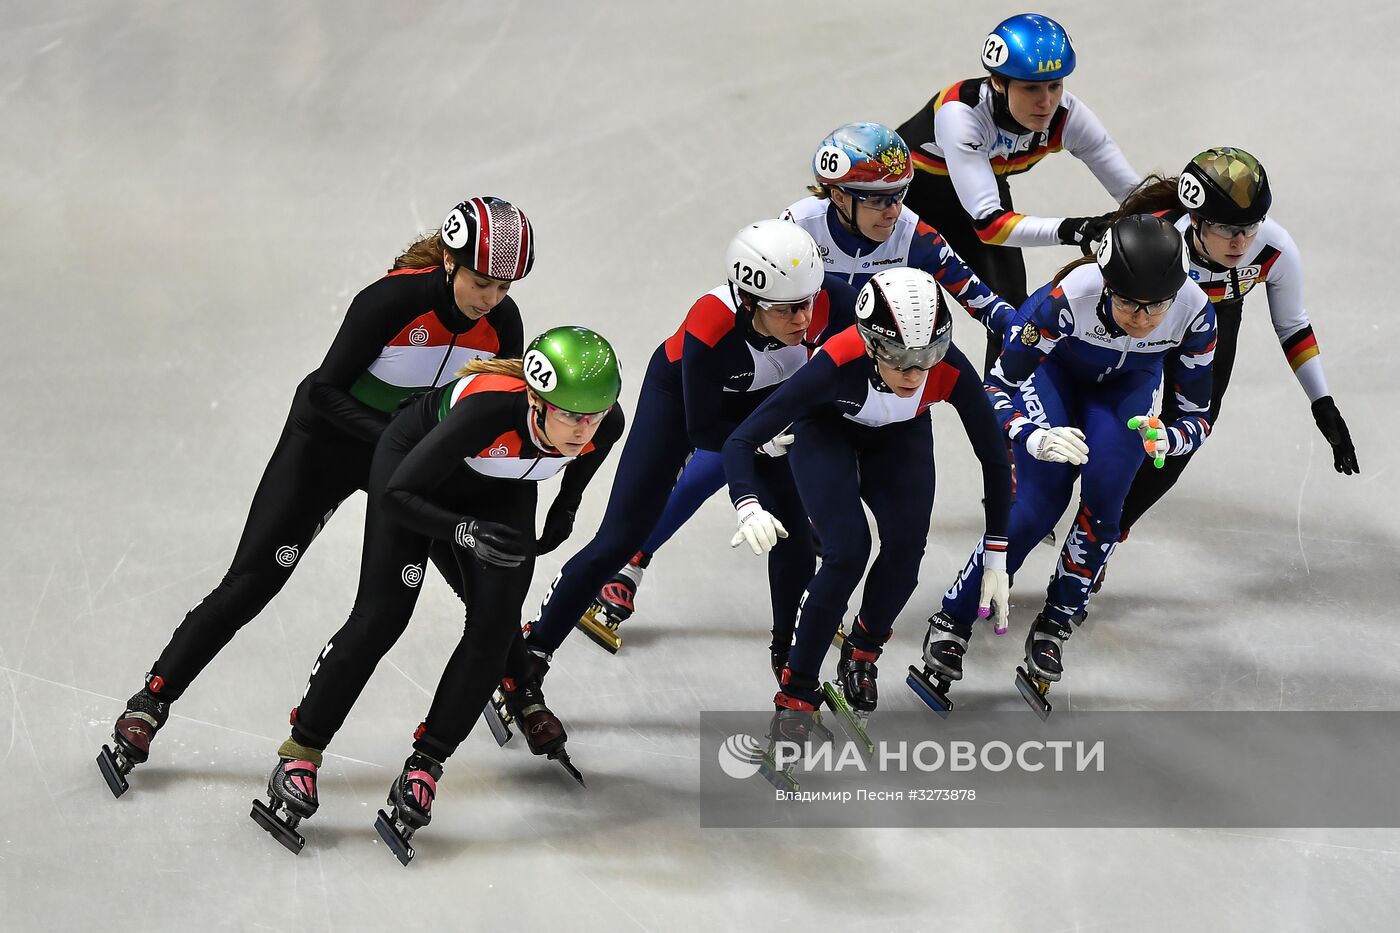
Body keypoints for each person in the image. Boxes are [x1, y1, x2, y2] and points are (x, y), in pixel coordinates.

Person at [97, 197, 531, 798]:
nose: (492, 298)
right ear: (452, 262)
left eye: (504, 287)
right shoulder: (391, 302)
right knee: (254, 582)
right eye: (482, 281)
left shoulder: (504, 328)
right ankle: (150, 700)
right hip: (328, 447)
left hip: (405, 464)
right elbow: (323, 390)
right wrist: (401, 446)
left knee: (477, 575)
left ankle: (517, 681)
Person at [580, 123, 1019, 647]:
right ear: (836, 195)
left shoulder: (913, 234)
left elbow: (982, 300)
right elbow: (758, 299)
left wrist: (1034, 331)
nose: (893, 211)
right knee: (731, 450)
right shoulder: (799, 226)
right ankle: (633, 559)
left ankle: (817, 571)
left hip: (872, 366)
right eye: (876, 199)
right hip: (802, 358)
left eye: (899, 196)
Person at [250, 327, 624, 859]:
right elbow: (398, 494)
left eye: (595, 417)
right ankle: (300, 752)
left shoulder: (603, 423)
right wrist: (463, 532)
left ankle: (426, 765)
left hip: (501, 488)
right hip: (414, 480)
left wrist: (565, 508)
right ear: (536, 401)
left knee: (494, 628)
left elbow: (585, 459)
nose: (584, 431)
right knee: (383, 616)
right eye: (571, 417)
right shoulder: (487, 412)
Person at [908, 215, 1217, 720]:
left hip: (1125, 390)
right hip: (1053, 374)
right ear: (1105, 284)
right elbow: (996, 389)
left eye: (1155, 307)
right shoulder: (1065, 299)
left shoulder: (1196, 312)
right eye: (1127, 303)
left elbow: (1197, 417)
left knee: (1107, 499)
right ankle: (953, 618)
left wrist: (1171, 437)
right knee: (1038, 503)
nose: (1141, 319)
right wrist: (1032, 435)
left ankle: (1057, 620)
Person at [527, 220, 850, 676]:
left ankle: (790, 661)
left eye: (807, 304)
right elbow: (703, 432)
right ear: (750, 299)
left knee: (790, 526)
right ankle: (535, 648)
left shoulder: (830, 299)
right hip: (681, 401)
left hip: (767, 401)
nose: (802, 319)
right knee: (619, 538)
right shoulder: (710, 323)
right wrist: (759, 442)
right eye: (787, 310)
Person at [721, 268, 1011, 759]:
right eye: (900, 359)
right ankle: (795, 698)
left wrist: (998, 550)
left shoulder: (949, 369)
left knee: (906, 550)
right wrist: (747, 503)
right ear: (872, 344)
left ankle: (862, 653)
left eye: (928, 358)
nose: (915, 374)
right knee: (846, 553)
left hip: (901, 436)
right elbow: (739, 439)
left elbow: (993, 456)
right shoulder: (837, 361)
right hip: (826, 430)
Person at [1110, 147, 1358, 554]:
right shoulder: (1153, 239)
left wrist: (1322, 400)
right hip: (1145, 316)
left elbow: (1293, 326)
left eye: (1251, 226)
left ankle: (1110, 530)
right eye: (1227, 228)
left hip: (1215, 317)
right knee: (1114, 412)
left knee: (1193, 425)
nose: (1241, 242)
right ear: (1195, 219)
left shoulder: (1275, 247)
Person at [896, 12, 1141, 367]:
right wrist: (1076, 229)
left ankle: (1001, 414)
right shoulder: (961, 113)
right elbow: (990, 226)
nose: (1046, 102)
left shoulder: (1068, 115)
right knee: (900, 307)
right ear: (998, 82)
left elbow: (1132, 193)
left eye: (1055, 85)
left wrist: (1182, 215)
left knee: (1010, 311)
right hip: (908, 201)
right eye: (1031, 88)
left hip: (978, 190)